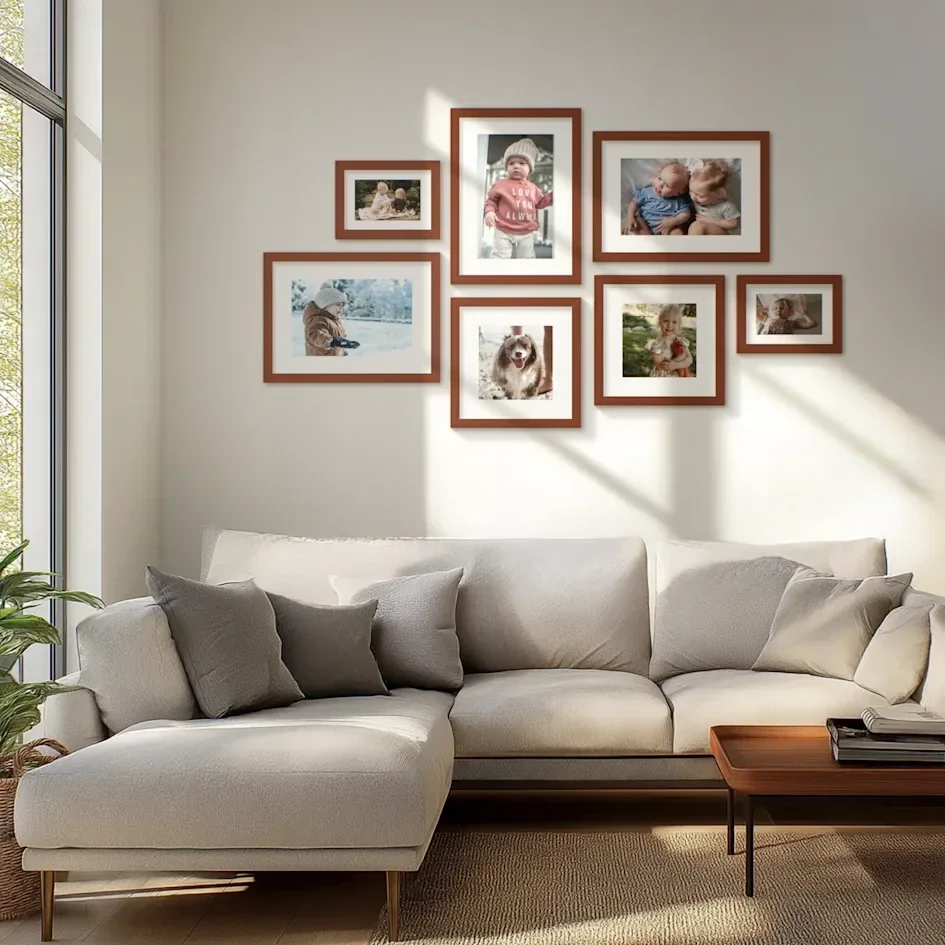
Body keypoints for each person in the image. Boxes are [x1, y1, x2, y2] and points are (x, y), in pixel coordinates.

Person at [483, 138, 553, 259]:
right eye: (511, 163)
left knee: (526, 259)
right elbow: (491, 200)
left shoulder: (533, 188)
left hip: (526, 232)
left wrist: (553, 196)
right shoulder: (501, 184)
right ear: (506, 166)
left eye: (521, 163)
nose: (516, 166)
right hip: (503, 230)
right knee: (500, 256)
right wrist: (489, 212)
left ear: (530, 168)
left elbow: (540, 203)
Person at [623, 163, 692, 235]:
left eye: (667, 185)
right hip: (646, 226)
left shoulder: (678, 200)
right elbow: (634, 203)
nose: (660, 184)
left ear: (678, 193)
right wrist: (630, 217)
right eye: (660, 178)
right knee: (637, 220)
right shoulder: (646, 192)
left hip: (666, 229)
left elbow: (686, 214)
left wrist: (673, 221)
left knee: (678, 232)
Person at [303, 284, 361, 356]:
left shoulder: (334, 321)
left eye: (342, 305)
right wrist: (332, 341)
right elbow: (316, 335)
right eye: (337, 305)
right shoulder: (317, 320)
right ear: (325, 306)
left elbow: (337, 337)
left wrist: (343, 349)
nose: (341, 308)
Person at [687, 160, 740, 235]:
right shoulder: (697, 198)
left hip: (723, 234)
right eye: (691, 191)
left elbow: (733, 224)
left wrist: (710, 221)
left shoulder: (726, 206)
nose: (693, 197)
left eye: (700, 196)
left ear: (718, 194)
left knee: (697, 227)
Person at [644, 305, 693, 377]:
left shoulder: (681, 341)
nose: (669, 325)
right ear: (660, 322)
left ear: (679, 325)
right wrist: (681, 358)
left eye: (674, 322)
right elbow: (660, 366)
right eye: (666, 321)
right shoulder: (656, 344)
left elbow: (689, 359)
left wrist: (676, 365)